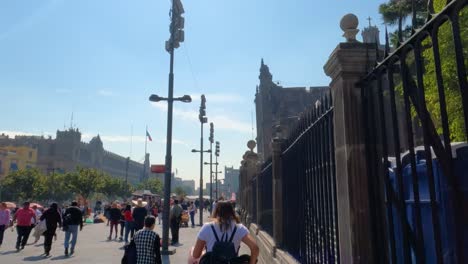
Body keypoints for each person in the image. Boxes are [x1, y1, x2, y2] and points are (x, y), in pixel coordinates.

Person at [192, 201, 259, 264]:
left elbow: (195, 255)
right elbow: (255, 248)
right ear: (232, 212)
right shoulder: (239, 228)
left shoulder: (207, 227)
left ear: (216, 212)